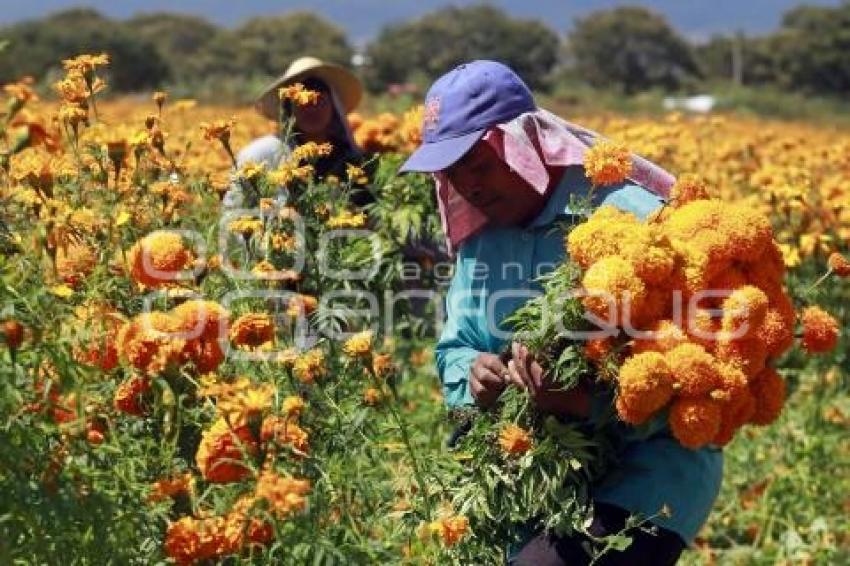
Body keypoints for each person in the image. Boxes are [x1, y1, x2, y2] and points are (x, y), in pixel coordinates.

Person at [400, 60, 722, 565]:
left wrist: (585, 404)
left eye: (479, 163)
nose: (470, 186)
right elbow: (457, 345)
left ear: (523, 145)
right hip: (534, 477)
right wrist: (475, 375)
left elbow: (700, 374)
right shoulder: (483, 240)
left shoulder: (628, 218)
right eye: (453, 172)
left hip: (644, 475)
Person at [224, 55, 372, 209]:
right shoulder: (260, 154)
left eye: (319, 100)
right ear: (288, 108)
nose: (312, 108)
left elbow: (372, 216)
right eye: (302, 101)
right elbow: (232, 212)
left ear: (334, 107)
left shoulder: (353, 158)